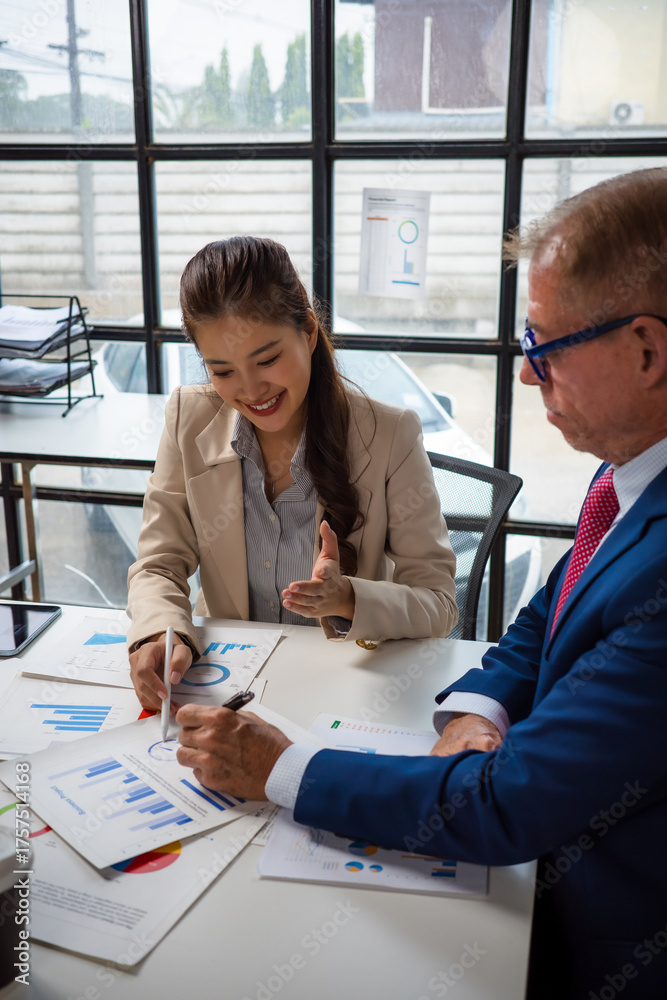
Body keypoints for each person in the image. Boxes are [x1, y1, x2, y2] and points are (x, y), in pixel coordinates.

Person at [174, 168, 667, 1000]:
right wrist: (476, 709)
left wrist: (285, 768)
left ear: (646, 350)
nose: (523, 376)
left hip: (598, 937)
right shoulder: (626, 476)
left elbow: (507, 806)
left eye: (540, 347)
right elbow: (543, 624)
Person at [126, 236, 457, 710]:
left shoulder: (389, 434)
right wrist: (158, 632)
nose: (250, 389)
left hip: (346, 691)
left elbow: (439, 604)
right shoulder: (188, 417)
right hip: (227, 686)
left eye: (266, 360)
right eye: (222, 371)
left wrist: (349, 600)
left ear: (308, 331)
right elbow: (158, 565)